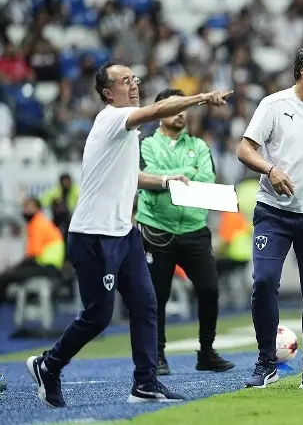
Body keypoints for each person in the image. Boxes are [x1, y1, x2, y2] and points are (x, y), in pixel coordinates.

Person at [25, 61, 232, 408]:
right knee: (99, 315)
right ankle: (49, 364)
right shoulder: (112, 119)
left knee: (146, 304)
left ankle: (145, 383)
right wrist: (201, 98)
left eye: (134, 79)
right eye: (124, 81)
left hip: (124, 233)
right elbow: (157, 111)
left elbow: (129, 176)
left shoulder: (125, 130)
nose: (133, 85)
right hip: (94, 234)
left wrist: (165, 180)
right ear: (108, 93)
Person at [237, 46, 303, 390]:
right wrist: (271, 170)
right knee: (264, 282)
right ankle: (266, 361)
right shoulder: (273, 105)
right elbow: (244, 149)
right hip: (273, 212)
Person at [135, 88, 234, 376]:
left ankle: (206, 352)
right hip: (157, 229)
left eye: (183, 107)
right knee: (157, 295)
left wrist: (167, 178)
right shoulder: (146, 145)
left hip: (194, 228)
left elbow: (207, 180)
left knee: (210, 289)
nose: (180, 112)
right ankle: (158, 354)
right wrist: (177, 177)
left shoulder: (200, 146)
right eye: (173, 107)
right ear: (158, 114)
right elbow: (145, 178)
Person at [0, 197, 65, 303]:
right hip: (46, 266)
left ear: (38, 209)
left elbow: (32, 256)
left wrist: (13, 268)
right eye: (24, 207)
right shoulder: (39, 223)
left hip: (47, 268)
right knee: (9, 274)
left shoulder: (38, 224)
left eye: (29, 207)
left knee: (5, 276)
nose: (25, 210)